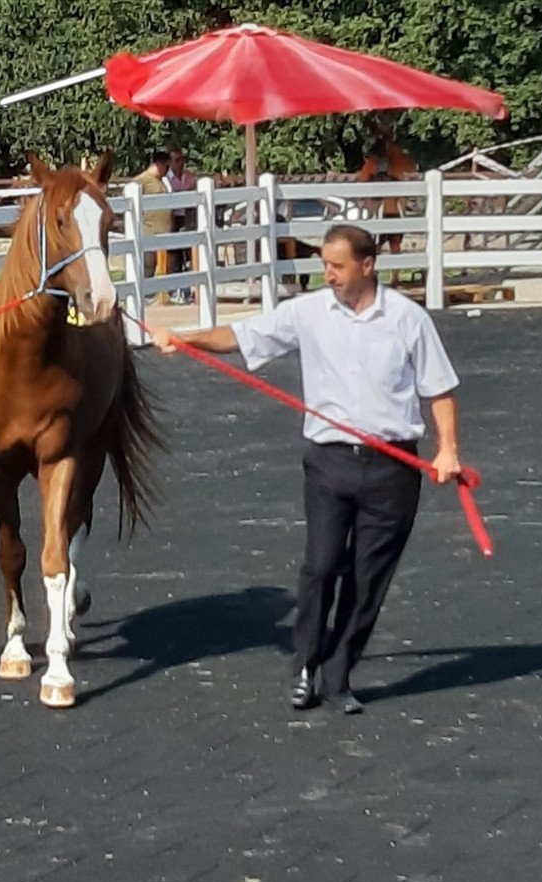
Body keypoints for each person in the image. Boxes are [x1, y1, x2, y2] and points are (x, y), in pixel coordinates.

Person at [149, 224, 463, 715]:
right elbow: (244, 334)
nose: (329, 275)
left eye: (337, 266)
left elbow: (438, 389)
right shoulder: (309, 312)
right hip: (329, 463)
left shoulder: (407, 319)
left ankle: (339, 675)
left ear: (367, 265)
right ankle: (304, 666)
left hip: (393, 468)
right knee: (320, 567)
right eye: (325, 265)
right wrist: (186, 340)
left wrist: (448, 450)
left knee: (367, 580)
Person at [133, 151, 174, 289]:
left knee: (164, 267)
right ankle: (144, 293)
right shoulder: (142, 181)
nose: (167, 170)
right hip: (149, 232)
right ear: (159, 164)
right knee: (148, 266)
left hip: (164, 232)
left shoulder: (162, 182)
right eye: (166, 167)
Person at [163, 147, 198, 303]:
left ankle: (188, 288)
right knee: (174, 255)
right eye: (177, 160)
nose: (181, 163)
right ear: (170, 162)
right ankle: (173, 289)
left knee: (191, 253)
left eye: (182, 159)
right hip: (174, 218)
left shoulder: (188, 176)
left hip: (188, 216)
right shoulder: (166, 179)